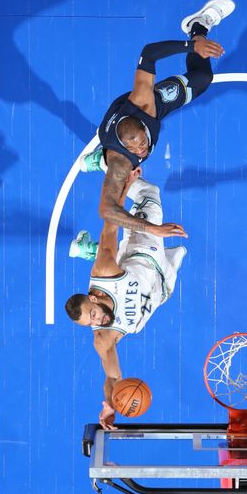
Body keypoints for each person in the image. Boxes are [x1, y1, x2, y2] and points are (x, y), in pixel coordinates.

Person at [77, 0, 235, 239]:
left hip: (149, 108)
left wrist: (192, 47)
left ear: (143, 125)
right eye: (137, 147)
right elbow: (106, 210)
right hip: (113, 143)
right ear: (125, 147)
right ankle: (101, 159)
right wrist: (152, 229)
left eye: (143, 142)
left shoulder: (145, 102)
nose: (142, 149)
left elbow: (148, 53)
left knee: (202, 78)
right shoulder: (122, 160)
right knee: (116, 178)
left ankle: (198, 26)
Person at [65, 170, 186, 429]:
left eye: (93, 314)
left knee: (149, 192)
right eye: (90, 323)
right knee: (174, 257)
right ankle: (88, 249)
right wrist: (110, 404)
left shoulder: (105, 273)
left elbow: (110, 220)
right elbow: (113, 376)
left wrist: (123, 183)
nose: (98, 322)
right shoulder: (103, 338)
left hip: (144, 249)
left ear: (93, 297)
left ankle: (108, 161)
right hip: (162, 287)